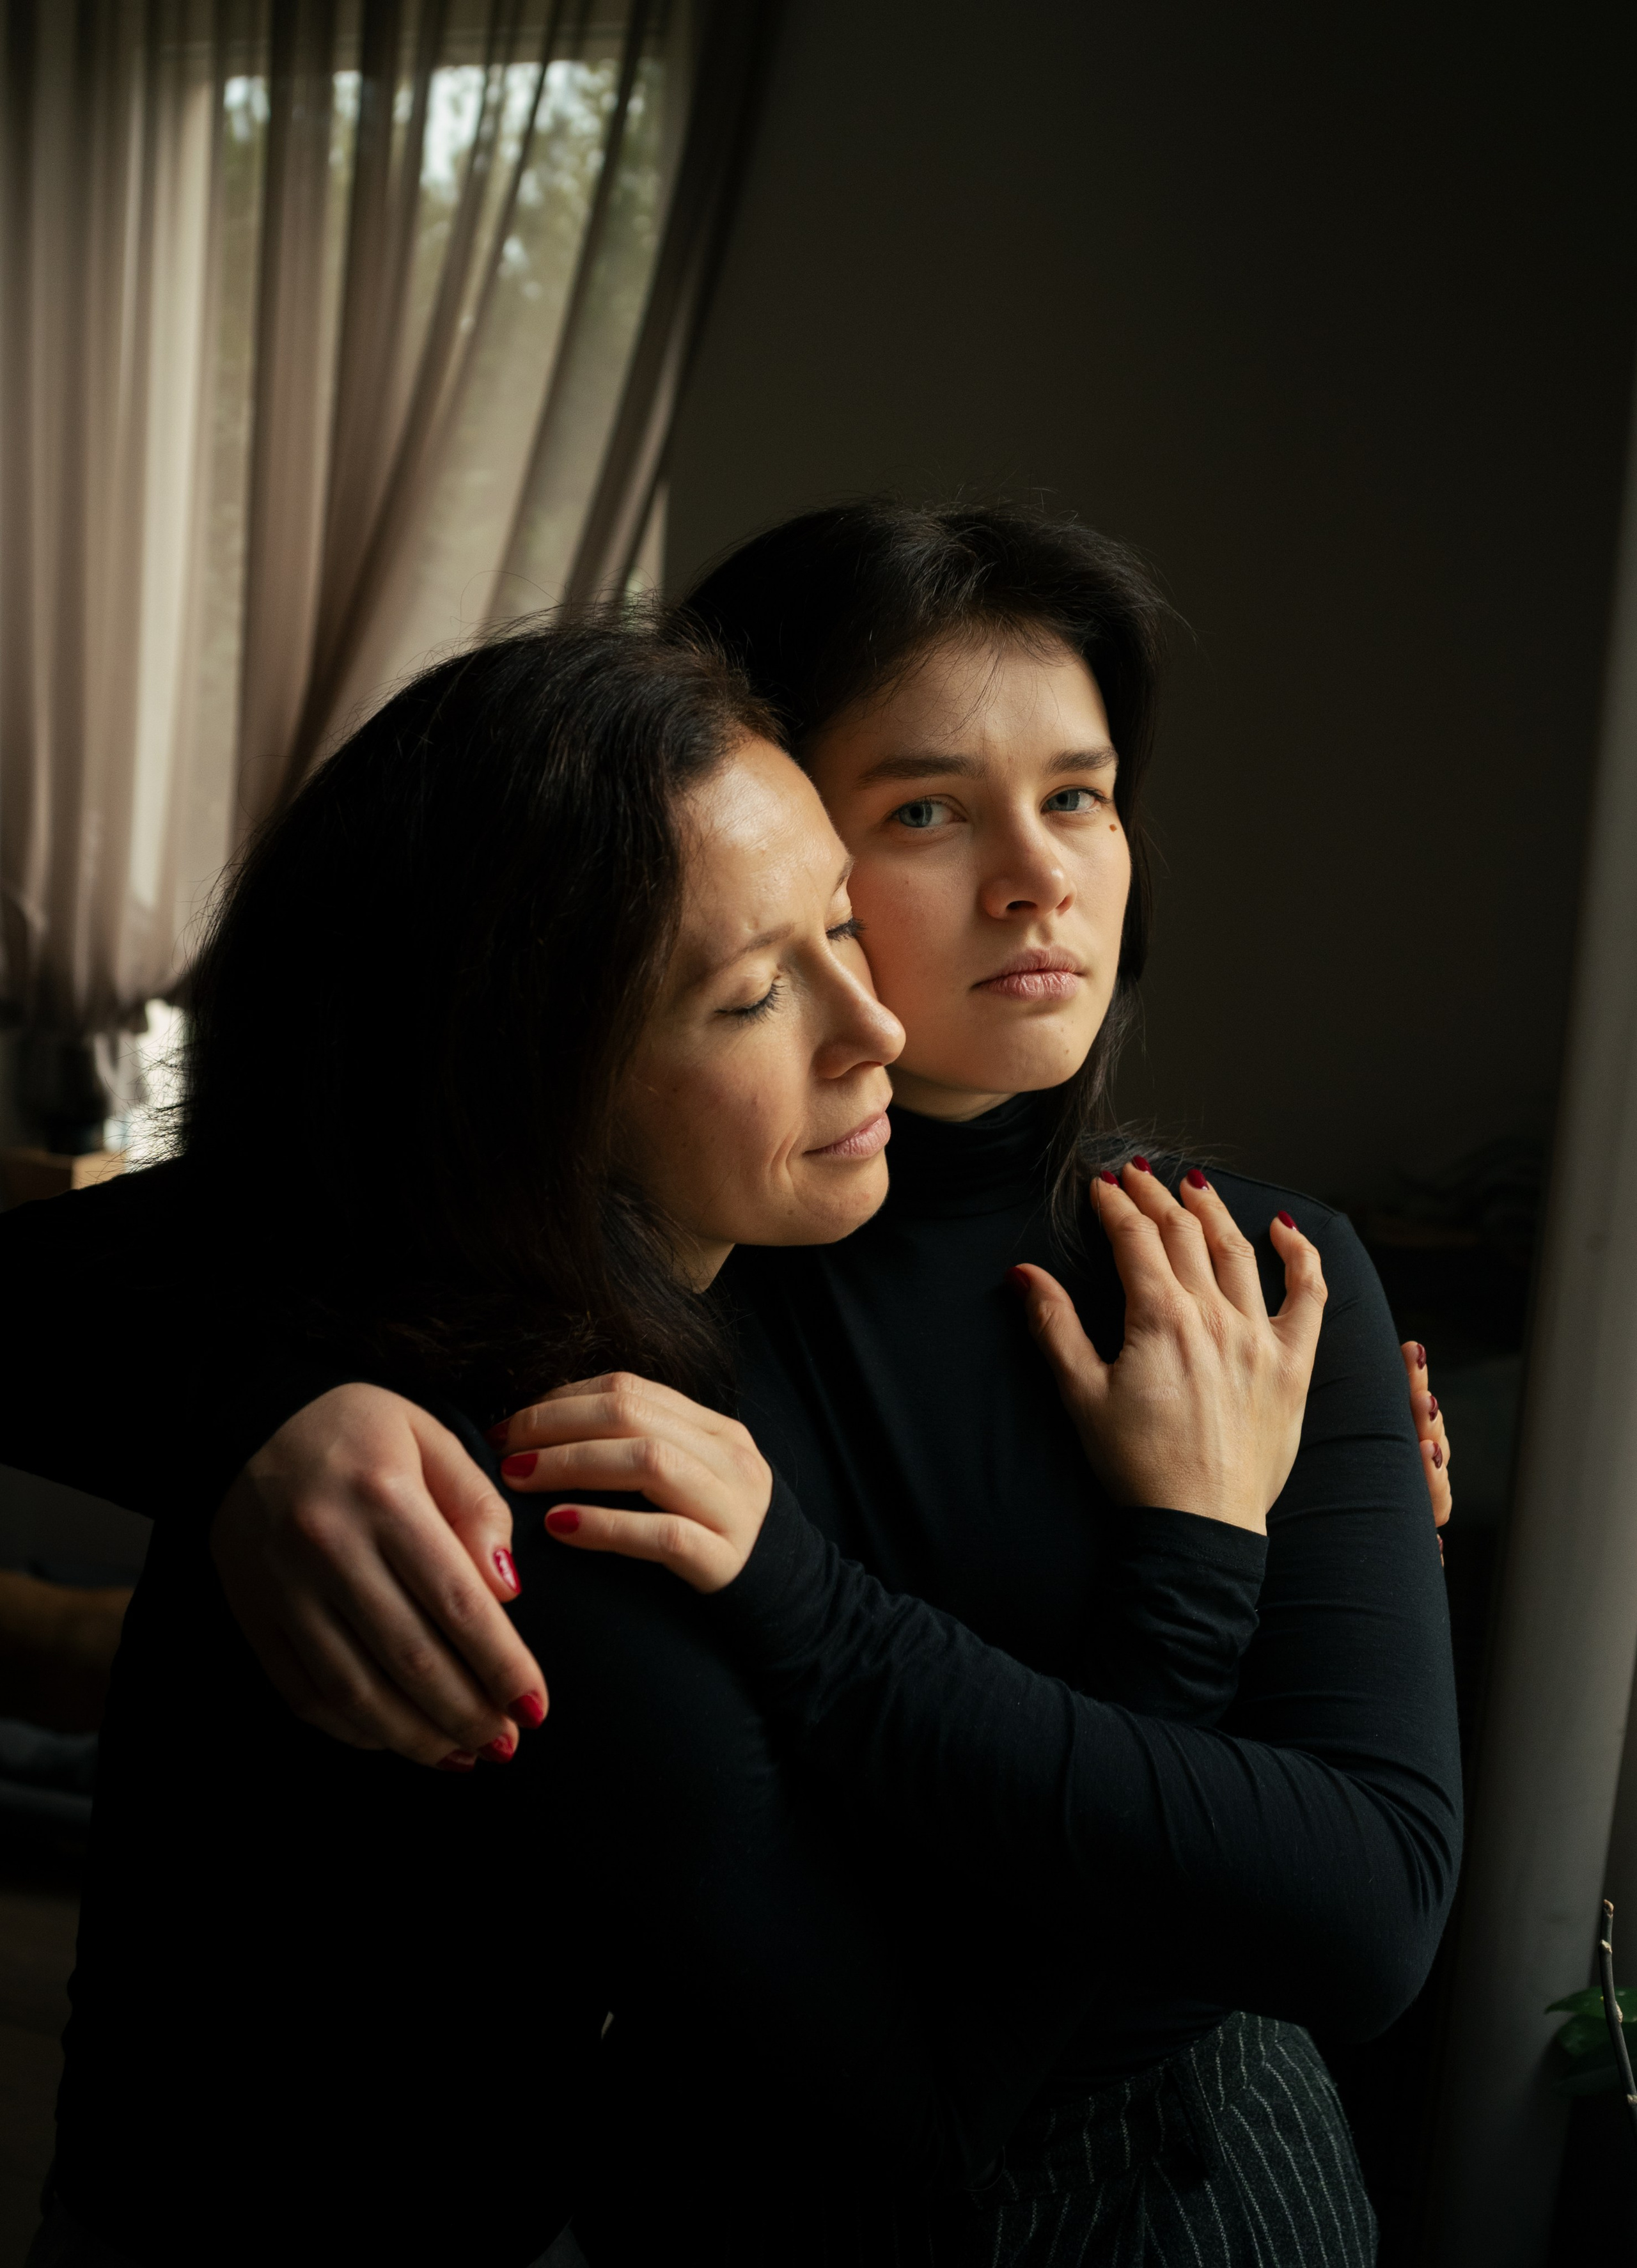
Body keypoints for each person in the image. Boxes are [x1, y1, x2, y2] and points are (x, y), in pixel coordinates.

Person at [1, 505, 1460, 2262]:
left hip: (1194, 2183)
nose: (1037, 877)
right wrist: (268, 1407)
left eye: (1080, 794)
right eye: (924, 813)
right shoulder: (617, 1294)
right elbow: (117, 1266)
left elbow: (1363, 1910)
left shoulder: (1247, 1285)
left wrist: (1214, 1538)